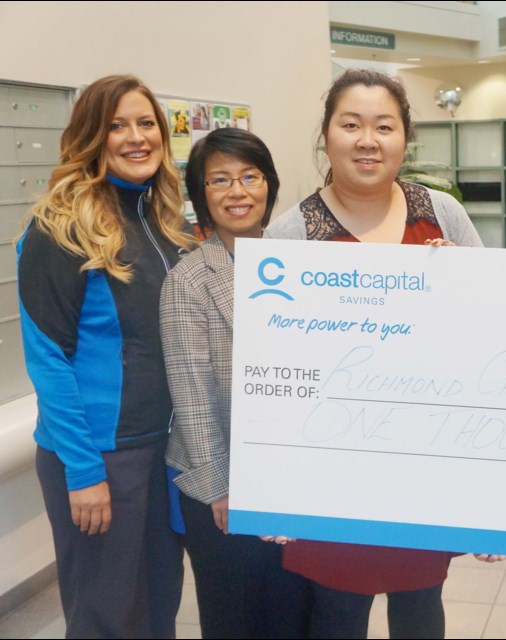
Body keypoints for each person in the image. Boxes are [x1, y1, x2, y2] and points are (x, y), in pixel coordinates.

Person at [265, 68, 482, 639]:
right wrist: (276, 480)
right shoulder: (291, 235)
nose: (368, 140)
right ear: (327, 135)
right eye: (351, 125)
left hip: (424, 460)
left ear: (404, 138)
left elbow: (490, 332)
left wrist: (466, 286)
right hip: (332, 466)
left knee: (421, 607)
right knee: (337, 612)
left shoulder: (442, 214)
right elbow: (272, 368)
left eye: (384, 126)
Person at [16, 74, 195, 638]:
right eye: (117, 125)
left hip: (160, 450)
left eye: (146, 124)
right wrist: (84, 470)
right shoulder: (59, 228)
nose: (136, 137)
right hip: (100, 455)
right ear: (91, 136)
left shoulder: (167, 224)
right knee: (105, 616)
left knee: (158, 605)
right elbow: (47, 359)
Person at [160, 128, 311, 638]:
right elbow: (192, 395)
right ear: (201, 194)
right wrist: (221, 487)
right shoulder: (188, 279)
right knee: (236, 617)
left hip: (291, 478)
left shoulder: (301, 264)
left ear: (268, 184)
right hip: (222, 485)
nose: (237, 191)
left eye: (249, 176)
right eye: (219, 180)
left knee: (291, 612)